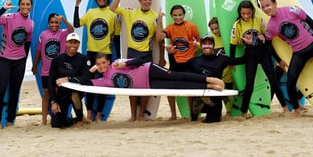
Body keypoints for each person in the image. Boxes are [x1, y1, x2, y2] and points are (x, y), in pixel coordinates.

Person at [110, 0, 165, 121]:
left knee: (145, 85)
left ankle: (141, 115)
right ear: (140, 0)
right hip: (132, 53)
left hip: (147, 54)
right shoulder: (130, 13)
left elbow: (160, 38)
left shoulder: (154, 16)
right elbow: (112, 8)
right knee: (131, 84)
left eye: (150, 0)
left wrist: (163, 57)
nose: (147, 2)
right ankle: (133, 115)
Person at [229, 0, 289, 118]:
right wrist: (231, 61)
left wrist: (278, 59)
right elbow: (232, 44)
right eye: (243, 14)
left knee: (273, 81)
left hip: (263, 53)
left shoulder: (258, 20)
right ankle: (244, 112)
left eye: (248, 13)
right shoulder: (237, 25)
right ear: (240, 13)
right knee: (249, 85)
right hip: (250, 56)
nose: (246, 16)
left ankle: (285, 108)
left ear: (252, 12)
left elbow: (268, 40)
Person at [0, 0, 34, 129]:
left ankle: (9, 121)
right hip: (5, 59)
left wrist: (24, 61)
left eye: (28, 4)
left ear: (31, 6)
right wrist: (3, 9)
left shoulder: (31, 23)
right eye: (23, 4)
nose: (26, 7)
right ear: (19, 5)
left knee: (15, 91)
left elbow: (27, 43)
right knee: (0, 90)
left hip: (19, 61)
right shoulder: (10, 17)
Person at [74, 0, 117, 122]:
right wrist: (76, 6)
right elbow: (76, 23)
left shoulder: (112, 14)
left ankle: (98, 114)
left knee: (104, 85)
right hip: (91, 53)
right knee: (90, 84)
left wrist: (119, 57)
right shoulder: (91, 12)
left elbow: (116, 37)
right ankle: (90, 113)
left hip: (105, 54)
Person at [87, 53, 224, 91]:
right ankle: (209, 87)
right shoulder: (103, 81)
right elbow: (85, 82)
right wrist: (91, 71)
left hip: (149, 69)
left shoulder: (116, 64)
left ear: (108, 62)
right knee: (177, 86)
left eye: (103, 63)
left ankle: (209, 80)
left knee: (176, 76)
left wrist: (124, 63)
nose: (101, 66)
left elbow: (140, 60)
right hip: (148, 85)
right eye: (98, 64)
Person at [187, 34, 245, 123]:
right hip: (199, 99)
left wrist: (249, 46)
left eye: (209, 43)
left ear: (213, 46)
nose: (207, 46)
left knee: (212, 121)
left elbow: (241, 60)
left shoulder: (221, 59)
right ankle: (193, 114)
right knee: (194, 119)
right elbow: (181, 73)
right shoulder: (194, 61)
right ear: (201, 46)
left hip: (215, 100)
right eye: (204, 44)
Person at [31, 13, 73, 125]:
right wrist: (34, 65)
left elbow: (71, 29)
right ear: (48, 23)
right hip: (46, 70)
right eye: (52, 22)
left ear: (59, 24)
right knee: (46, 94)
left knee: (56, 94)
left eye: (56, 22)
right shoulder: (43, 34)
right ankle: (44, 120)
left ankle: (56, 117)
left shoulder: (63, 33)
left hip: (59, 71)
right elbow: (39, 51)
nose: (54, 24)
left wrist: (63, 19)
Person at [163, 4, 200, 120]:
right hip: (175, 61)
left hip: (190, 61)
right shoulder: (169, 28)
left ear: (184, 15)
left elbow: (199, 42)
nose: (177, 17)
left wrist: (197, 45)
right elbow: (159, 37)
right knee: (168, 88)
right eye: (175, 15)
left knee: (189, 89)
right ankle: (173, 114)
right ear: (171, 16)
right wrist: (159, 19)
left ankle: (191, 114)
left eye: (180, 15)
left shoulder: (191, 26)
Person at [48, 33, 92, 128]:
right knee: (56, 124)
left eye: (75, 43)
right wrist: (54, 101)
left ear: (79, 44)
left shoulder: (84, 59)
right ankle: (75, 120)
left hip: (77, 92)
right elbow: (51, 81)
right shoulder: (57, 59)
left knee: (74, 94)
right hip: (62, 94)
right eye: (70, 42)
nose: (73, 45)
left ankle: (80, 118)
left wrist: (68, 79)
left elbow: (85, 78)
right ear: (66, 43)